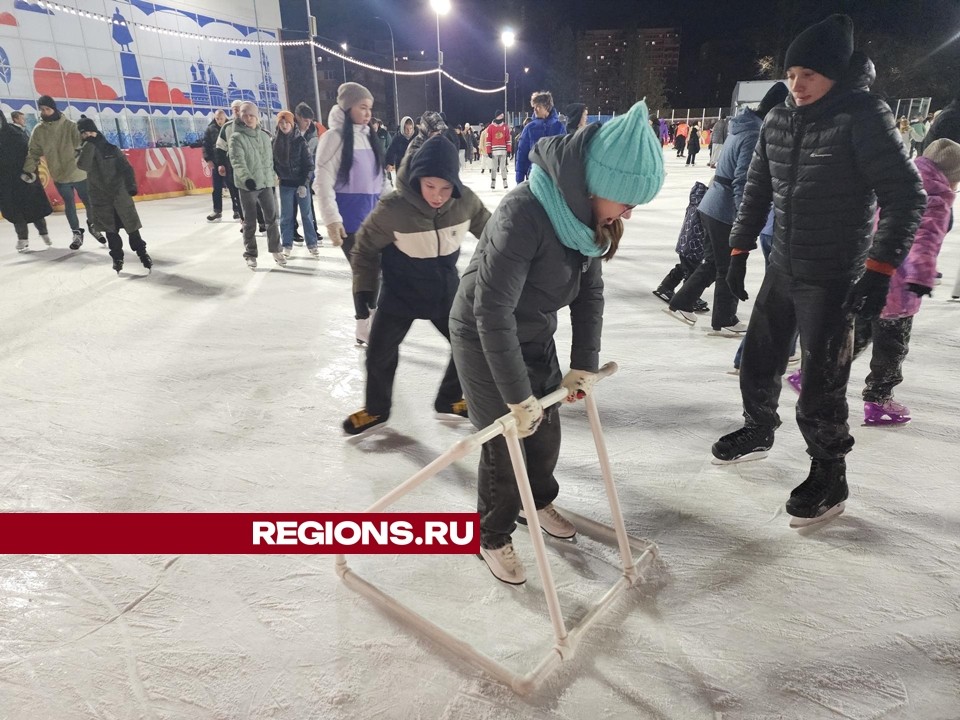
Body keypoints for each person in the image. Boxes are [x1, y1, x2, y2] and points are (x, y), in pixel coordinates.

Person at [713, 15, 926, 526]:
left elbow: (907, 197)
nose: (796, 84)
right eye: (790, 74)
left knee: (821, 381)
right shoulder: (779, 119)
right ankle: (758, 427)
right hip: (783, 266)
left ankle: (829, 472)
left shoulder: (863, 116)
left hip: (835, 275)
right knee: (760, 360)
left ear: (835, 73)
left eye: (809, 73)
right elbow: (757, 190)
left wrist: (878, 270)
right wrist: (739, 252)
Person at [449, 100, 665, 584]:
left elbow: (590, 294)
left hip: (531, 332)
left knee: (545, 431)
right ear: (598, 185)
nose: (628, 212)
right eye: (627, 200)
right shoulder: (525, 211)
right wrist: (515, 395)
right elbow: (491, 310)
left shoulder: (587, 220)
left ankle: (537, 502)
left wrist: (582, 363)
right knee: (506, 441)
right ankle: (493, 534)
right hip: (483, 336)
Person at [343, 135, 491, 434]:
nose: (437, 195)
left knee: (470, 343)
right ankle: (376, 410)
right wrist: (364, 294)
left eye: (446, 188)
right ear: (417, 179)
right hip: (400, 293)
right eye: (430, 186)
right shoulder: (393, 210)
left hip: (445, 290)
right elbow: (364, 249)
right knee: (379, 353)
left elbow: (495, 234)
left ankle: (449, 399)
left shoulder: (465, 204)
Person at [851, 139, 959, 425]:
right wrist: (922, 277)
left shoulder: (899, 183)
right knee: (891, 349)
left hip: (868, 274)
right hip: (899, 291)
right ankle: (878, 400)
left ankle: (816, 373)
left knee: (856, 335)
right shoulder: (936, 199)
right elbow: (923, 242)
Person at [665, 83, 789, 333]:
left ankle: (682, 302)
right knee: (729, 265)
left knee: (713, 263)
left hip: (712, 203)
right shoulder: (754, 133)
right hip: (724, 209)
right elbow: (743, 177)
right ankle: (725, 318)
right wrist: (744, 214)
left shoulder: (743, 125)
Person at [313, 82, 386, 345]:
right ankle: (364, 323)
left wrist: (390, 208)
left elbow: (381, 179)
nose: (367, 113)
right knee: (365, 271)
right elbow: (322, 181)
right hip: (349, 219)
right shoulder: (333, 138)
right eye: (362, 107)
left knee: (375, 270)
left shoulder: (369, 135)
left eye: (370, 108)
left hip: (374, 217)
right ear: (347, 107)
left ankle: (370, 320)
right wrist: (332, 219)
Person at [22, 95, 106, 249]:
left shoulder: (71, 126)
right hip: (59, 175)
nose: (45, 112)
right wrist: (28, 170)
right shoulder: (39, 130)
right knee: (69, 205)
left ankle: (94, 225)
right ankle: (76, 233)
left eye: (48, 108)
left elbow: (85, 144)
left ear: (54, 108)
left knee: (90, 203)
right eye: (42, 109)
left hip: (78, 173)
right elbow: (33, 151)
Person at [75, 117, 151, 274]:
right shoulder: (84, 150)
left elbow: (126, 168)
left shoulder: (111, 148)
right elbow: (83, 165)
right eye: (84, 134)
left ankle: (143, 254)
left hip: (120, 195)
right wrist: (90, 145)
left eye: (90, 132)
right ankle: (117, 258)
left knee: (132, 230)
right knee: (111, 233)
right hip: (101, 199)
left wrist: (131, 186)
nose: (88, 135)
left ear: (96, 131)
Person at [228, 101, 284, 269]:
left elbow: (269, 160)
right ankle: (251, 253)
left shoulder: (264, 136)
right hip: (248, 186)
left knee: (272, 218)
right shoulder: (236, 137)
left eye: (252, 115)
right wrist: (247, 178)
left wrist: (272, 176)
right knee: (250, 221)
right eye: (245, 115)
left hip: (266, 184)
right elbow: (237, 161)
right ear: (240, 116)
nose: (249, 118)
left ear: (257, 117)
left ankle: (276, 249)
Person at [1, 109, 52, 251]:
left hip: (25, 178)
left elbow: (30, 152)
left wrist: (29, 171)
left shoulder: (14, 134)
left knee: (34, 207)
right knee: (16, 211)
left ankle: (43, 233)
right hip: (8, 183)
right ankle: (22, 238)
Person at [273, 109, 319, 257]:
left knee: (306, 214)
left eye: (287, 122)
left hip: (301, 184)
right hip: (286, 184)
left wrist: (304, 183)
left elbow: (309, 165)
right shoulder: (274, 142)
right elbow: (272, 163)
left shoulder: (300, 141)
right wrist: (277, 175)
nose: (284, 125)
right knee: (286, 216)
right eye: (281, 122)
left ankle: (312, 244)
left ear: (292, 124)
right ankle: (287, 244)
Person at [216, 99, 257, 227]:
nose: (236, 111)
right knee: (236, 193)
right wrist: (221, 164)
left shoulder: (251, 125)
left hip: (251, 165)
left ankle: (259, 220)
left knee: (254, 194)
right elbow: (220, 147)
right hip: (232, 166)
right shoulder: (227, 127)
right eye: (233, 109)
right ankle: (244, 220)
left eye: (238, 108)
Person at [515, 91, 565, 184]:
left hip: (553, 178)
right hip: (534, 177)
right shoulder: (529, 128)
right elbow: (522, 154)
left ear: (547, 107)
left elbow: (563, 155)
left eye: (538, 107)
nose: (535, 110)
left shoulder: (559, 127)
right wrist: (519, 180)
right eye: (534, 107)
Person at [291, 102, 324, 246]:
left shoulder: (313, 131)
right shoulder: (288, 128)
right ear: (297, 117)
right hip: (291, 173)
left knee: (308, 203)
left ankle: (313, 230)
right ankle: (293, 231)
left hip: (306, 173)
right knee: (291, 204)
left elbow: (314, 153)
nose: (308, 123)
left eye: (310, 120)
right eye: (305, 120)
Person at [202, 109, 228, 221]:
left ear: (225, 117)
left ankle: (237, 210)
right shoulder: (210, 129)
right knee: (216, 187)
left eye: (221, 118)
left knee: (233, 187)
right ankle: (217, 210)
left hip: (228, 162)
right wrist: (208, 159)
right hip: (216, 162)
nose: (219, 121)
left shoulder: (229, 127)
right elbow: (205, 145)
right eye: (217, 118)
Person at [484, 110, 512, 190]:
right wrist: (488, 151)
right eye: (500, 116)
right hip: (494, 151)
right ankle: (493, 181)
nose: (502, 117)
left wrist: (509, 150)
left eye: (502, 116)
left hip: (503, 150)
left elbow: (508, 139)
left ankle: (505, 181)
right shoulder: (491, 127)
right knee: (494, 167)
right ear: (497, 116)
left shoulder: (505, 127)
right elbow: (488, 140)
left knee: (503, 167)